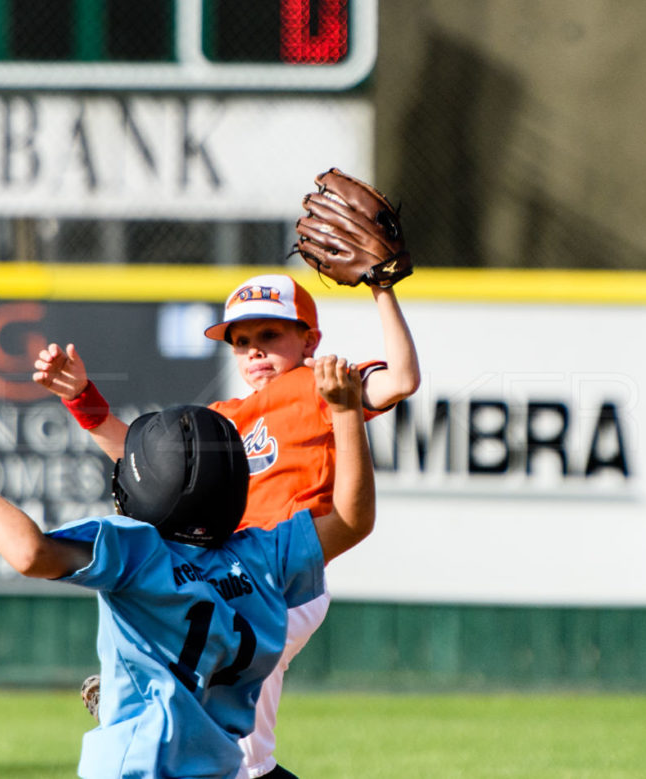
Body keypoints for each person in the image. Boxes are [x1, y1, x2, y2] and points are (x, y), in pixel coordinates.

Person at [0, 354, 375, 779]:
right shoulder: (263, 556)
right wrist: (346, 413)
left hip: (134, 765)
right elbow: (353, 521)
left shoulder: (136, 550)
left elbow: (30, 553)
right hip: (219, 767)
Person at [33, 273, 420, 779]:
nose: (255, 351)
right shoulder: (222, 418)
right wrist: (83, 397)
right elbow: (148, 468)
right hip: (230, 576)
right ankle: (169, 687)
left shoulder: (315, 386)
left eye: (270, 335)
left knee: (228, 755)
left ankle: (165, 687)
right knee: (243, 763)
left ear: (309, 340)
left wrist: (382, 291)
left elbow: (403, 380)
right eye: (242, 342)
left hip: (284, 576)